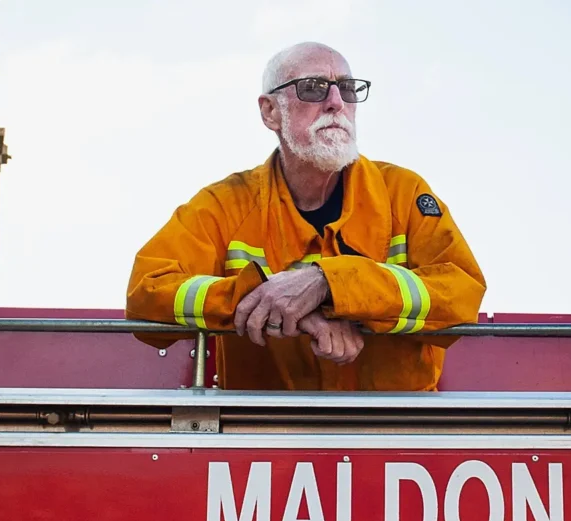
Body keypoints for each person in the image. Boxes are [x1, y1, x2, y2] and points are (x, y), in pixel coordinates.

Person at [125, 41, 486, 391]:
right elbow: (147, 292)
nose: (335, 103)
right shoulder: (223, 205)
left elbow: (461, 292)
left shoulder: (403, 193)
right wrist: (273, 303)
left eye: (347, 89)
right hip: (266, 436)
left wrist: (328, 284)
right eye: (313, 89)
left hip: (394, 434)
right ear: (270, 112)